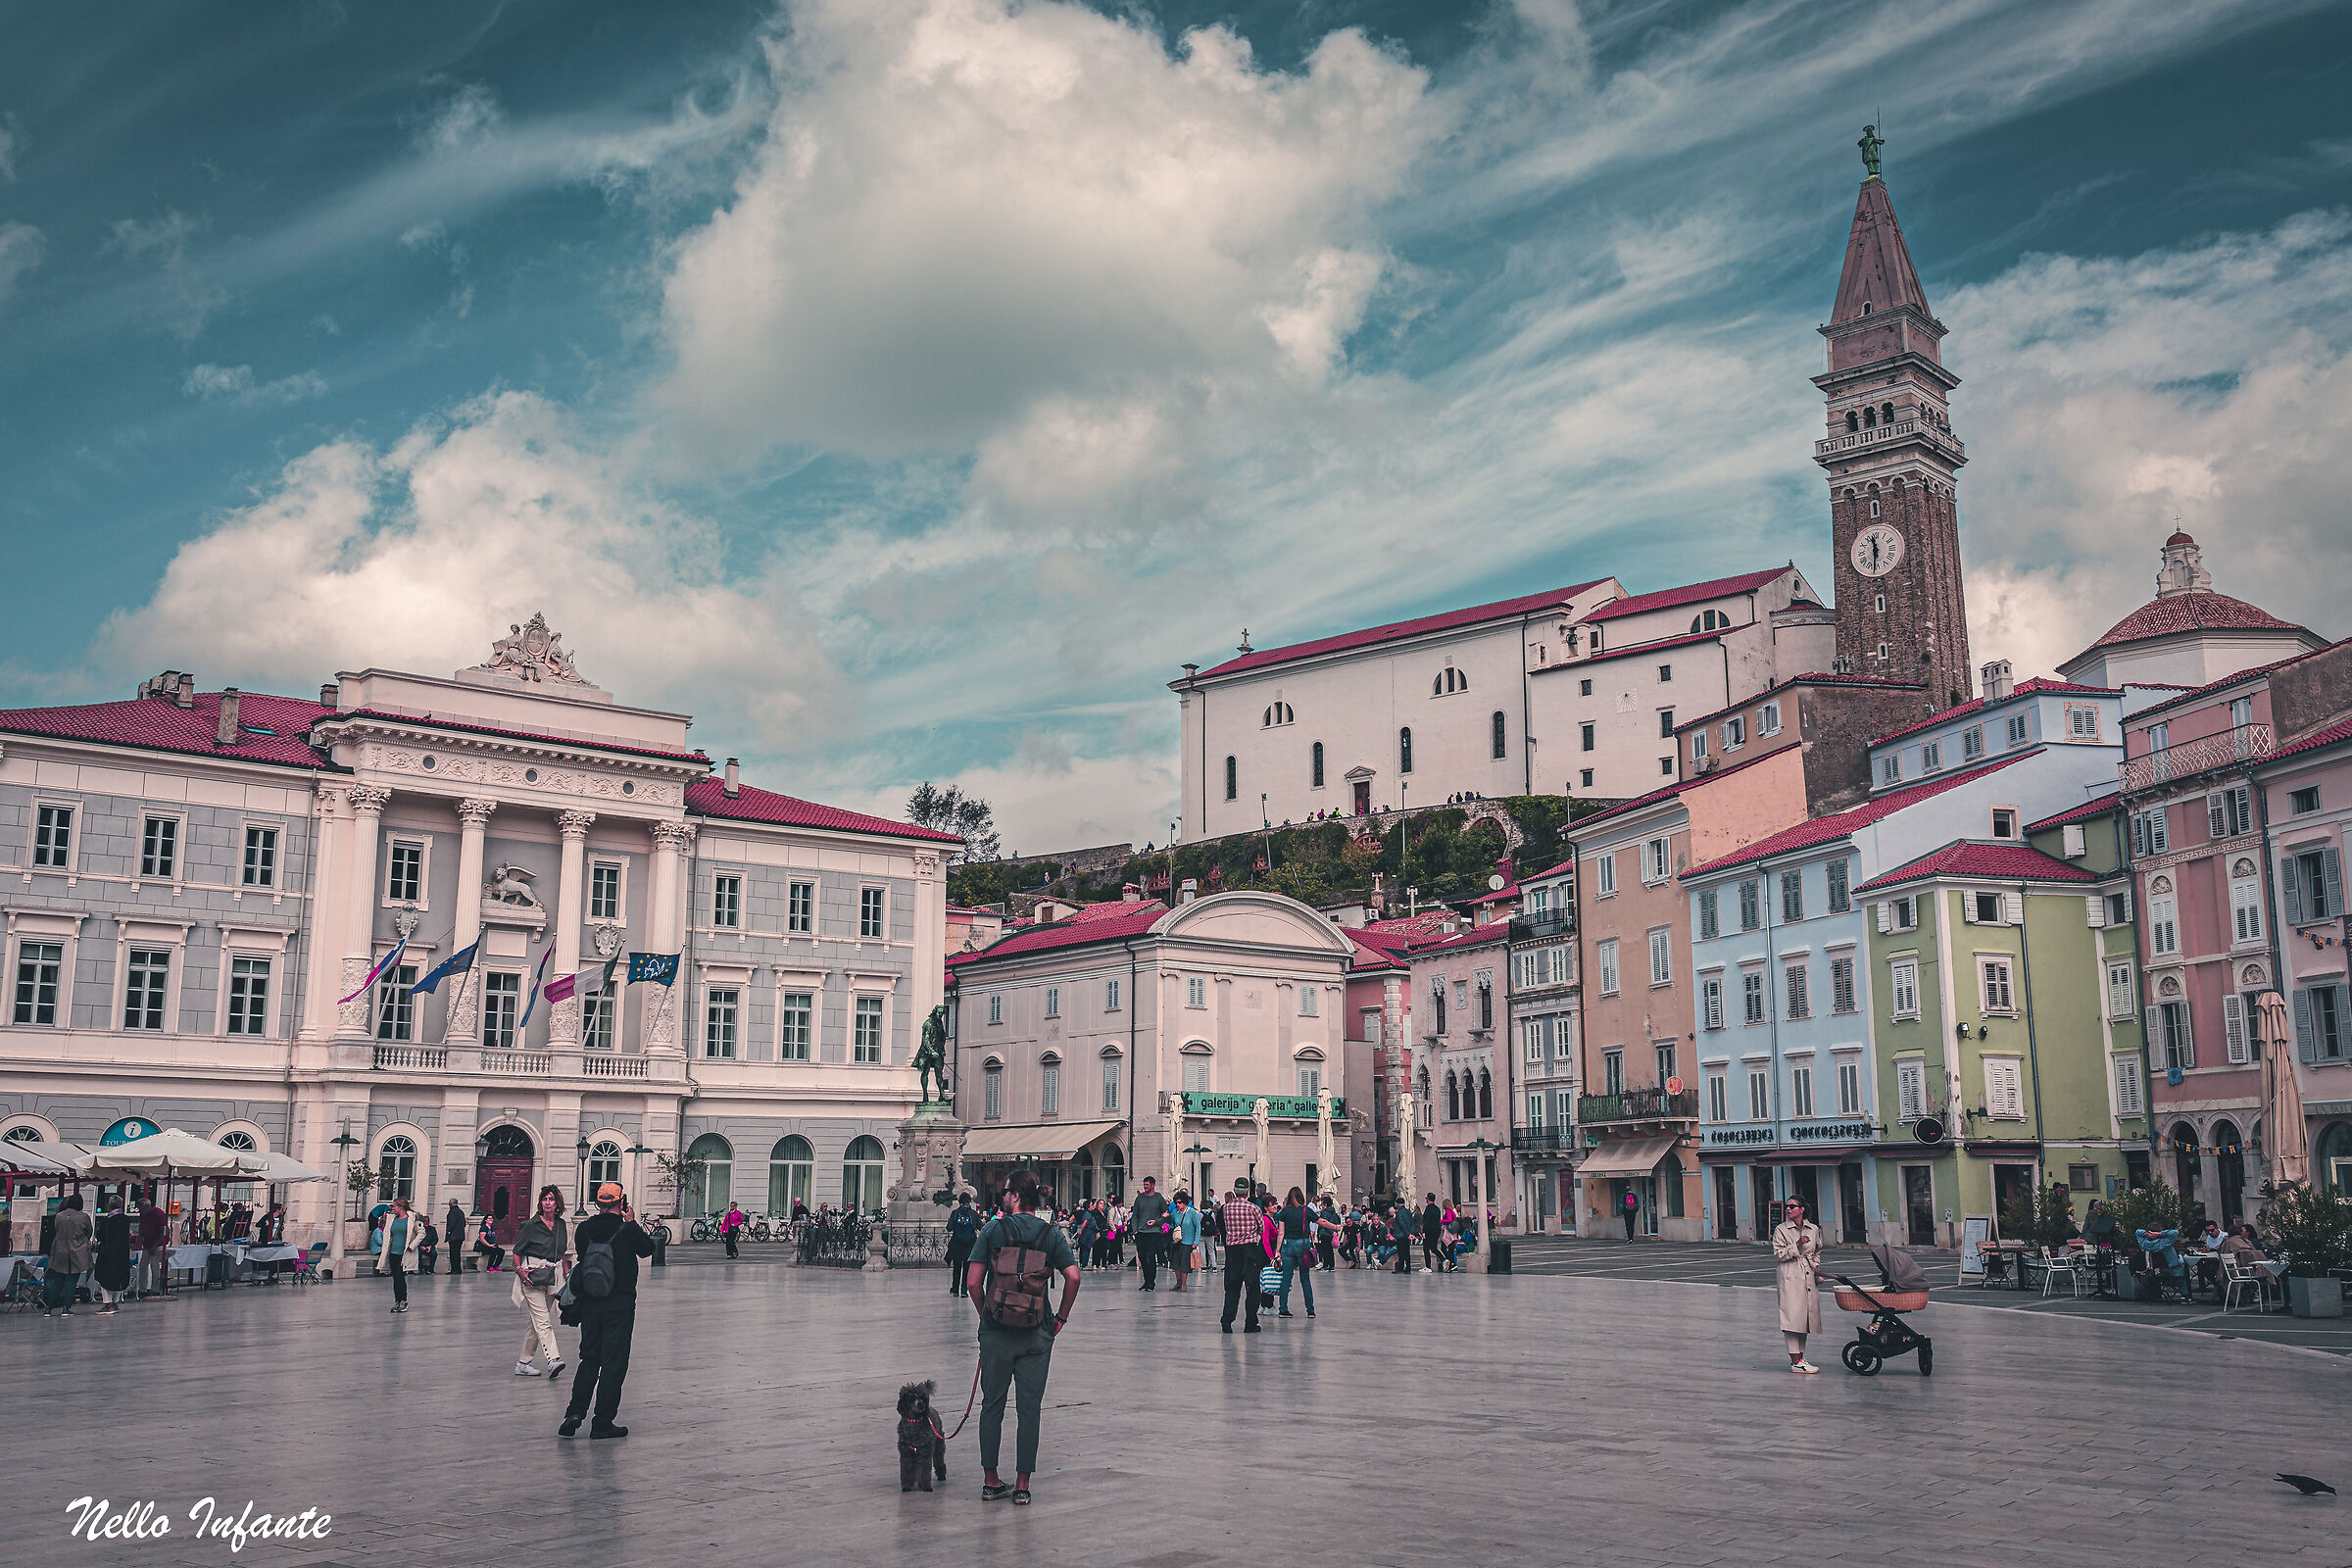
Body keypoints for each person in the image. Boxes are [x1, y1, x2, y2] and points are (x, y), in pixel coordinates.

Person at [966, 1168, 1080, 1505]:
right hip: (1035, 1333)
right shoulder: (1051, 1234)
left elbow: (973, 1283)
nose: (1003, 1197)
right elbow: (1073, 1277)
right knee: (1030, 1409)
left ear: (1015, 1196)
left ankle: (990, 1481)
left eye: (1005, 1193)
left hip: (996, 1331)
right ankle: (1022, 1485)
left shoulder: (992, 1229)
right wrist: (1060, 1319)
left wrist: (986, 1315)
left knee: (992, 1406)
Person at [562, 1183, 658, 1440]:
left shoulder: (585, 1229)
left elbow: (582, 1254)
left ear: (598, 1202)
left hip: (590, 1303)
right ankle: (602, 1421)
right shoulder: (626, 1229)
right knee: (613, 1363)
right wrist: (632, 1222)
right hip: (620, 1303)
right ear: (621, 1201)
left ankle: (574, 1412)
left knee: (589, 1358)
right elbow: (648, 1250)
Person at [514, 1186, 570, 1380]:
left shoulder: (561, 1225)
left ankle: (523, 1362)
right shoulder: (530, 1225)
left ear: (557, 1204)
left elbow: (561, 1250)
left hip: (551, 1277)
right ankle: (553, 1359)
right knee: (543, 1321)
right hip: (532, 1276)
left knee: (536, 1323)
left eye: (551, 1199)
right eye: (545, 1199)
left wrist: (565, 1270)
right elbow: (517, 1251)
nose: (547, 1202)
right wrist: (519, 1271)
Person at [1772, 1198, 1823, 1373]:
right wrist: (1797, 1244)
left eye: (1792, 1206)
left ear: (1801, 1209)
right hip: (1790, 1274)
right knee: (1792, 1317)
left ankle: (1800, 1358)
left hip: (1808, 1274)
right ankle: (1796, 1360)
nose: (1788, 1209)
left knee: (1805, 1317)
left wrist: (1816, 1269)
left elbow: (1816, 1251)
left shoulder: (1814, 1229)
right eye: (1787, 1206)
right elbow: (1778, 1254)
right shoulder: (1781, 1229)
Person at [1216, 1177, 1272, 1334]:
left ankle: (1227, 1321)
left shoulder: (1225, 1208)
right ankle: (1250, 1323)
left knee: (1232, 1289)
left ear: (1234, 1191)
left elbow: (1222, 1227)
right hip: (1250, 1251)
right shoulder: (1253, 1208)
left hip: (1232, 1252)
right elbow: (1261, 1228)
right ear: (1248, 1191)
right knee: (1253, 1289)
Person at [45, 1192, 92, 1316]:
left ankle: (48, 1308)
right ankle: (66, 1308)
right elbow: (89, 1232)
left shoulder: (59, 1216)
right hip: (77, 1251)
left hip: (60, 1251)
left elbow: (55, 1230)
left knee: (57, 1280)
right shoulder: (83, 1217)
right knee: (71, 1281)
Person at [1275, 1187, 1316, 1319]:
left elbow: (1280, 1233)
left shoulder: (1284, 1212)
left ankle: (1283, 1309)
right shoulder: (1306, 1210)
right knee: (1305, 1279)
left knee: (1286, 1279)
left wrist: (1277, 1251)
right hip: (1302, 1245)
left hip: (1287, 1245)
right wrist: (1335, 1227)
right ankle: (1310, 1310)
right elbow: (1319, 1221)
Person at [93, 1195, 132, 1314]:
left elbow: (100, 1235)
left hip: (108, 1252)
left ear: (110, 1205)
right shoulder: (126, 1220)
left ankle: (108, 1303)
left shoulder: (107, 1220)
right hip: (122, 1253)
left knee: (104, 1276)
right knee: (119, 1277)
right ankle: (115, 1303)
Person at [1129, 1176, 1169, 1291]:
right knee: (1142, 1257)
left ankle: (1151, 1283)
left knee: (1151, 1257)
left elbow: (1166, 1213)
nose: (1145, 1186)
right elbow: (1135, 1214)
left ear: (1153, 1185)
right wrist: (1135, 1229)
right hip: (1141, 1232)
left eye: (1147, 1185)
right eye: (1144, 1184)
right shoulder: (1140, 1198)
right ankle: (1147, 1280)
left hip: (1153, 1232)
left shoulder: (1158, 1198)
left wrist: (1157, 1222)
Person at [945, 1194, 981, 1297]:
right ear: (969, 1202)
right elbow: (981, 1227)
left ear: (959, 1202)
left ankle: (955, 1289)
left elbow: (949, 1227)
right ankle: (964, 1290)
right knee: (966, 1269)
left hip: (956, 1245)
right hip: (969, 1245)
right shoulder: (973, 1214)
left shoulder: (955, 1213)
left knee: (957, 1268)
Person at [136, 1198, 170, 1298]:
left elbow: (162, 1231)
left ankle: (155, 1289)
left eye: (140, 1208)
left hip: (157, 1244)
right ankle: (143, 1289)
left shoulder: (158, 1213)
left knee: (154, 1266)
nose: (139, 1210)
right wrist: (140, 1238)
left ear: (147, 1206)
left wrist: (156, 1245)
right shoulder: (143, 1214)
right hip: (147, 1243)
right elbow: (141, 1227)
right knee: (143, 1266)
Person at [1170, 1195, 1200, 1293]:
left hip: (1188, 1242)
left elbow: (1198, 1227)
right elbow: (1170, 1220)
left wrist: (1196, 1241)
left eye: (1180, 1202)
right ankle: (1178, 1282)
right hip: (1177, 1241)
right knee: (1175, 1263)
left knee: (1184, 1264)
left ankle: (1183, 1284)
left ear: (1185, 1203)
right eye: (1176, 1203)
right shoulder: (1175, 1213)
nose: (1178, 1205)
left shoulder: (1192, 1212)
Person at [1391, 1200, 1417, 1274]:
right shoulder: (1408, 1211)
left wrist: (1407, 1233)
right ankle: (1408, 1267)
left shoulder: (1399, 1212)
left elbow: (1402, 1223)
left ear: (1398, 1204)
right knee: (1407, 1252)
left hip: (1401, 1234)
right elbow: (1412, 1222)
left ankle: (1400, 1268)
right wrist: (1411, 1233)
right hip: (1407, 1235)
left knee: (1401, 1252)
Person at [1421, 1194, 1444, 1273]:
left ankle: (1428, 1266)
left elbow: (1426, 1221)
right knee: (1433, 1248)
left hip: (1429, 1231)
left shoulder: (1428, 1209)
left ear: (1428, 1199)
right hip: (1437, 1230)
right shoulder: (1437, 1209)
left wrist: (1424, 1232)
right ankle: (1444, 1260)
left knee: (1426, 1248)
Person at [444, 1200, 467, 1277]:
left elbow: (451, 1223)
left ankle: (454, 1269)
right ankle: (458, 1269)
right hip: (460, 1236)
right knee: (457, 1253)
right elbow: (464, 1223)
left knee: (453, 1253)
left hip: (453, 1236)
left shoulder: (452, 1212)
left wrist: (448, 1231)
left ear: (450, 1204)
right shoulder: (461, 1212)